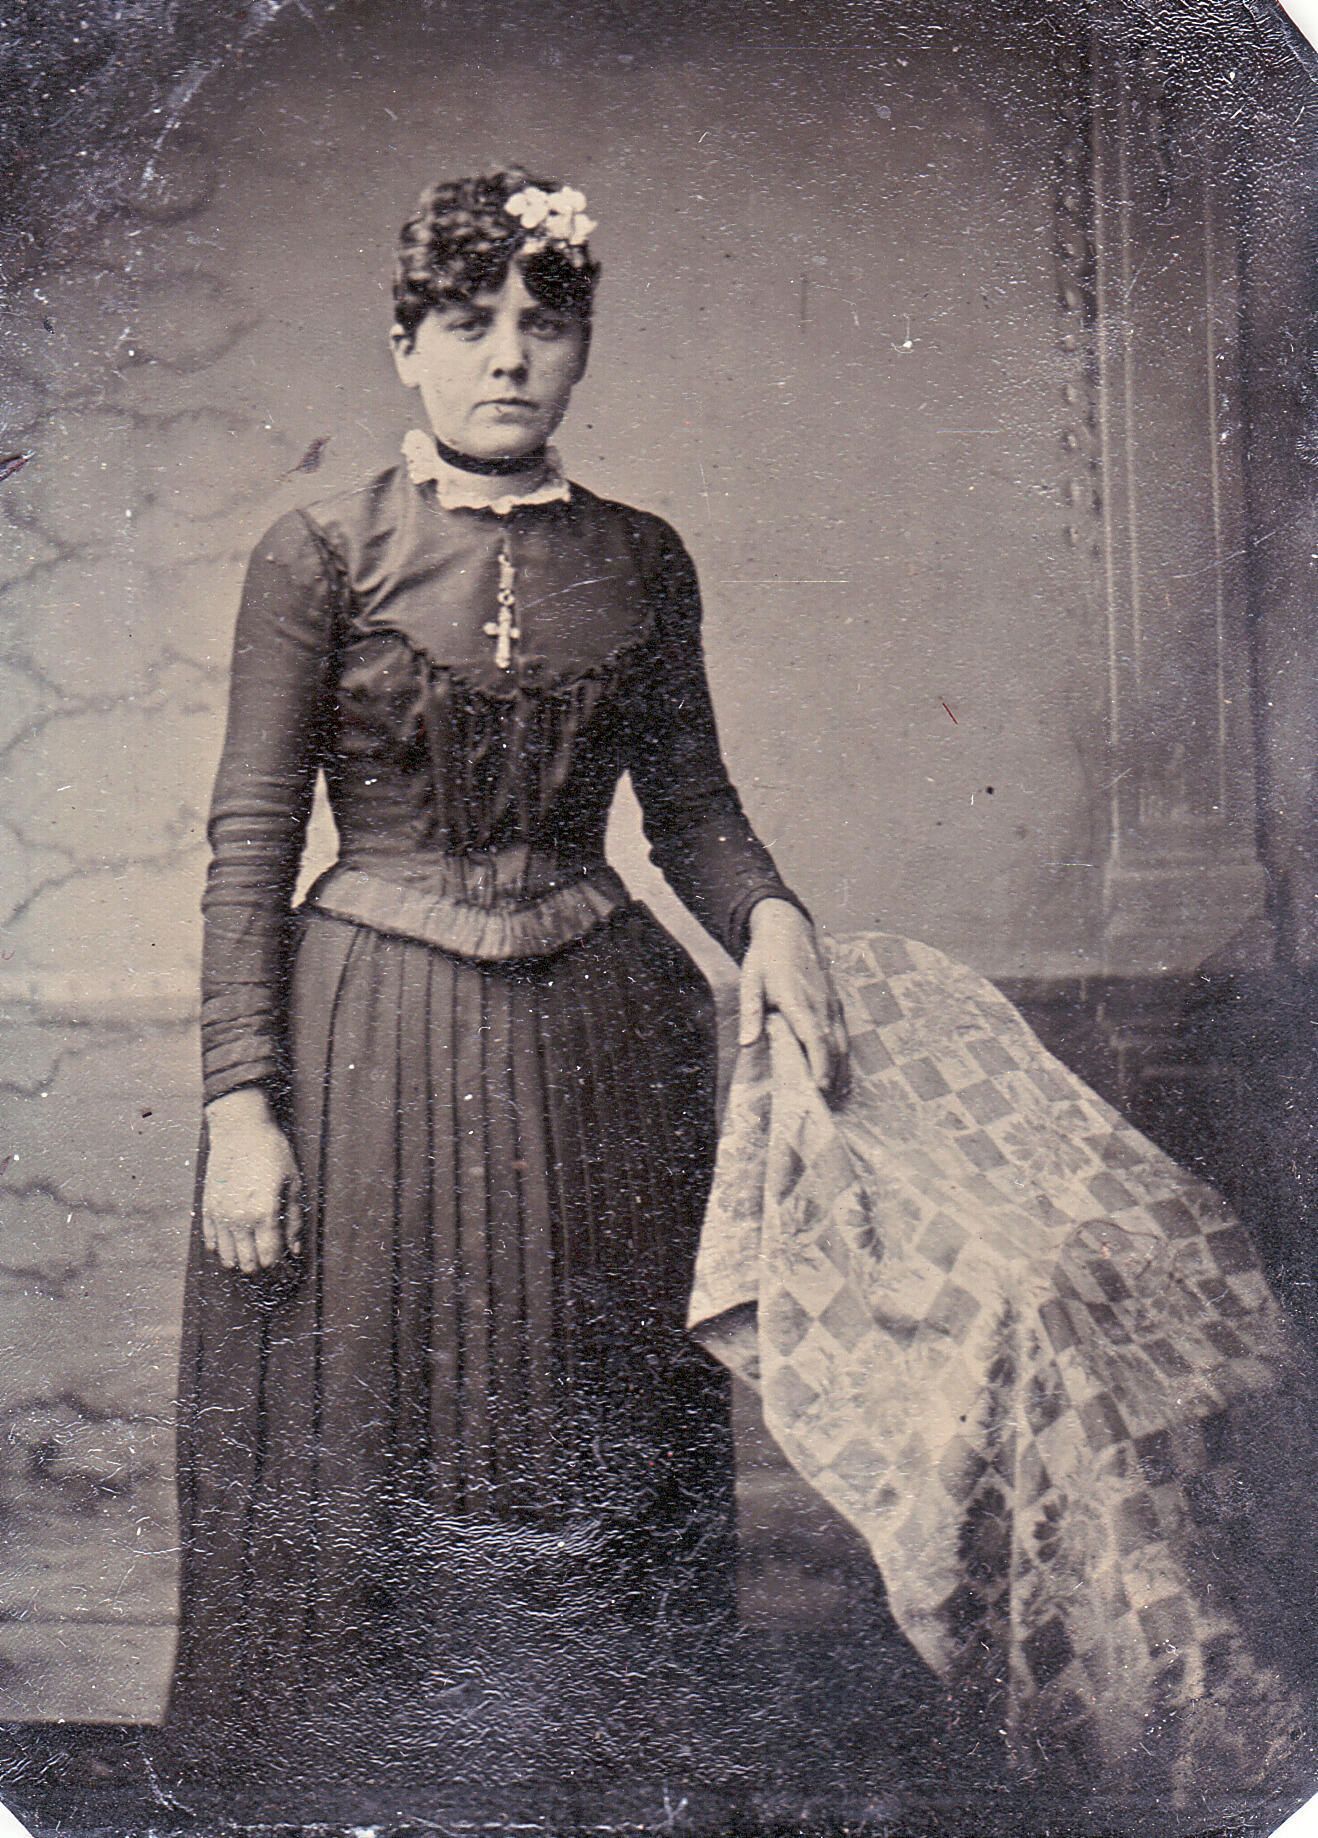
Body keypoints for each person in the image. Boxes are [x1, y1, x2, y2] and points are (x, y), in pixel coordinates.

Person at [164, 168, 848, 1802]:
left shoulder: (642, 556)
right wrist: (240, 1101)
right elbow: (251, 836)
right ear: (404, 344)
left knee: (584, 1412)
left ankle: (576, 1791)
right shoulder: (321, 550)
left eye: (544, 325)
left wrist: (770, 916)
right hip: (369, 1044)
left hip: (599, 1048)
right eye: (468, 324)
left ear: (581, 347)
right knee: (368, 1416)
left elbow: (690, 807)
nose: (507, 357)